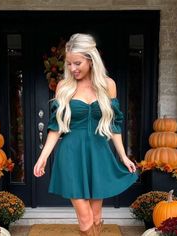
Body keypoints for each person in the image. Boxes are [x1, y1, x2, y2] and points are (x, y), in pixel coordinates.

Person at [34, 33, 138, 236]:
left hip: (99, 153)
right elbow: (56, 127)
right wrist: (43, 157)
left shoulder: (108, 85)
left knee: (97, 216)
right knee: (85, 217)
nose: (73, 69)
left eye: (78, 63)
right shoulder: (65, 87)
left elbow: (114, 125)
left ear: (91, 59)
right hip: (71, 154)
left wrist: (123, 156)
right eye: (70, 64)